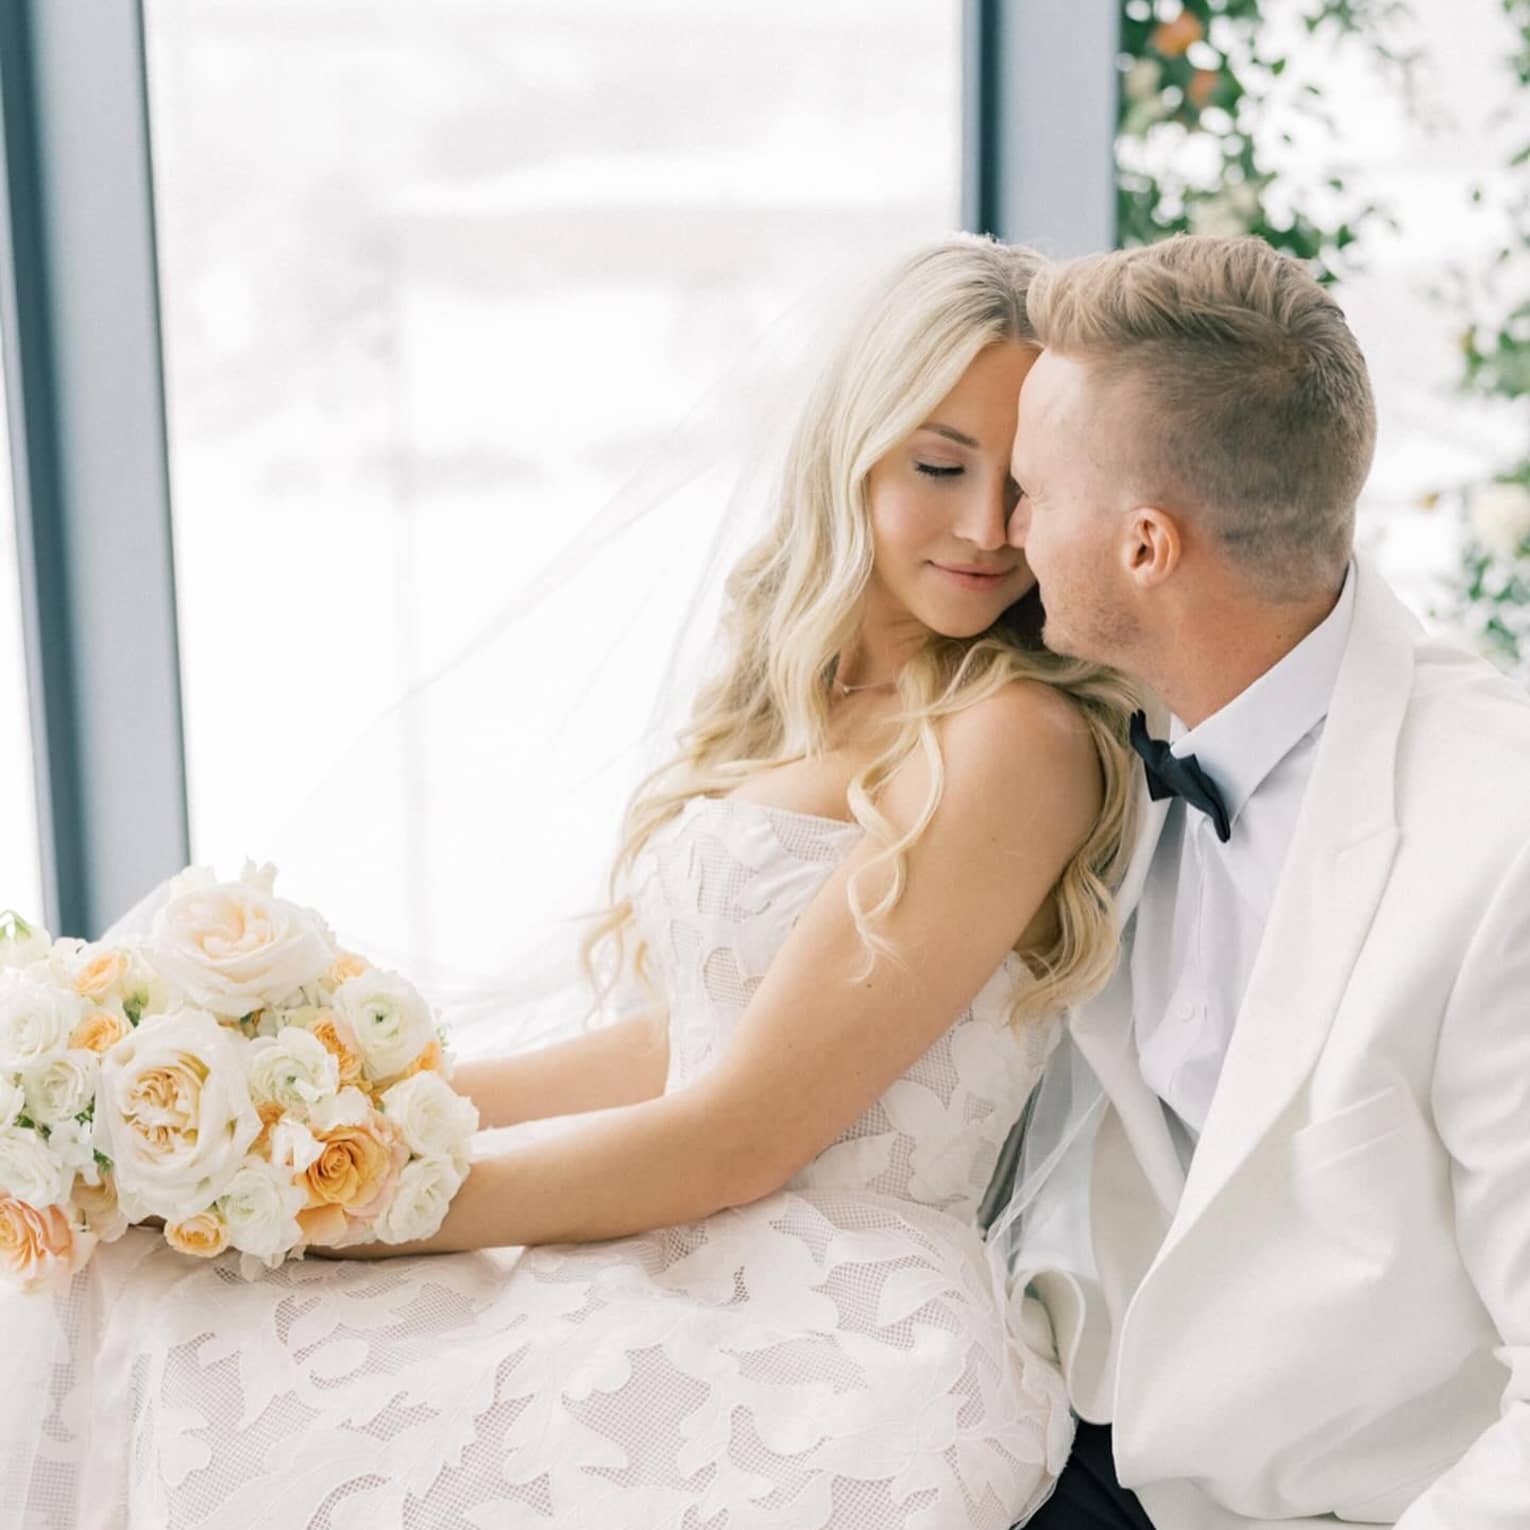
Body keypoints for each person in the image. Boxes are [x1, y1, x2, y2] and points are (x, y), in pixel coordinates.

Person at [8, 235, 1144, 1529]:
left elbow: (736, 1134)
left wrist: (340, 1208)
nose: (988, 526)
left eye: (1030, 484)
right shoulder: (818, 693)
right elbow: (686, 1040)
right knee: (126, 1281)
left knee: (216, 1342)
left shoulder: (1013, 740)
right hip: (692, 1228)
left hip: (815, 1308)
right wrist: (337, 1118)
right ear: (854, 450)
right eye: (941, 465)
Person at [1003, 233, 1530, 1529]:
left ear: (1143, 545)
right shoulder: (1064, 742)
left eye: (1028, 492)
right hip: (1042, 1435)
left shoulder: (1497, 842)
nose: (1001, 532)